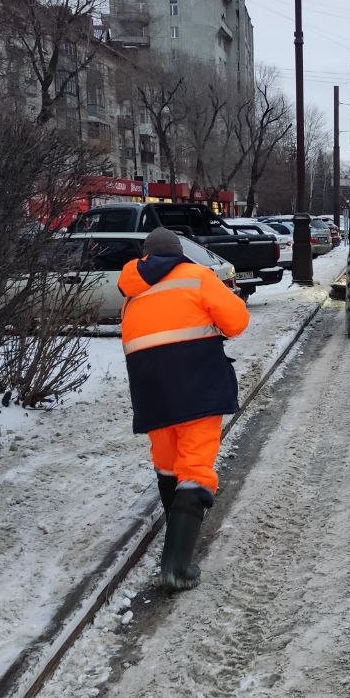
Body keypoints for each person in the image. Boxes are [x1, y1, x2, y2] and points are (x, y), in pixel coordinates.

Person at [118, 227, 249, 592]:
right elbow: (237, 321)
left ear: (146, 256)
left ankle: (177, 533)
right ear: (178, 253)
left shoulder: (131, 293)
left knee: (167, 463)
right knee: (194, 468)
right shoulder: (197, 277)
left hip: (152, 392)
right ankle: (176, 565)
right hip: (197, 386)